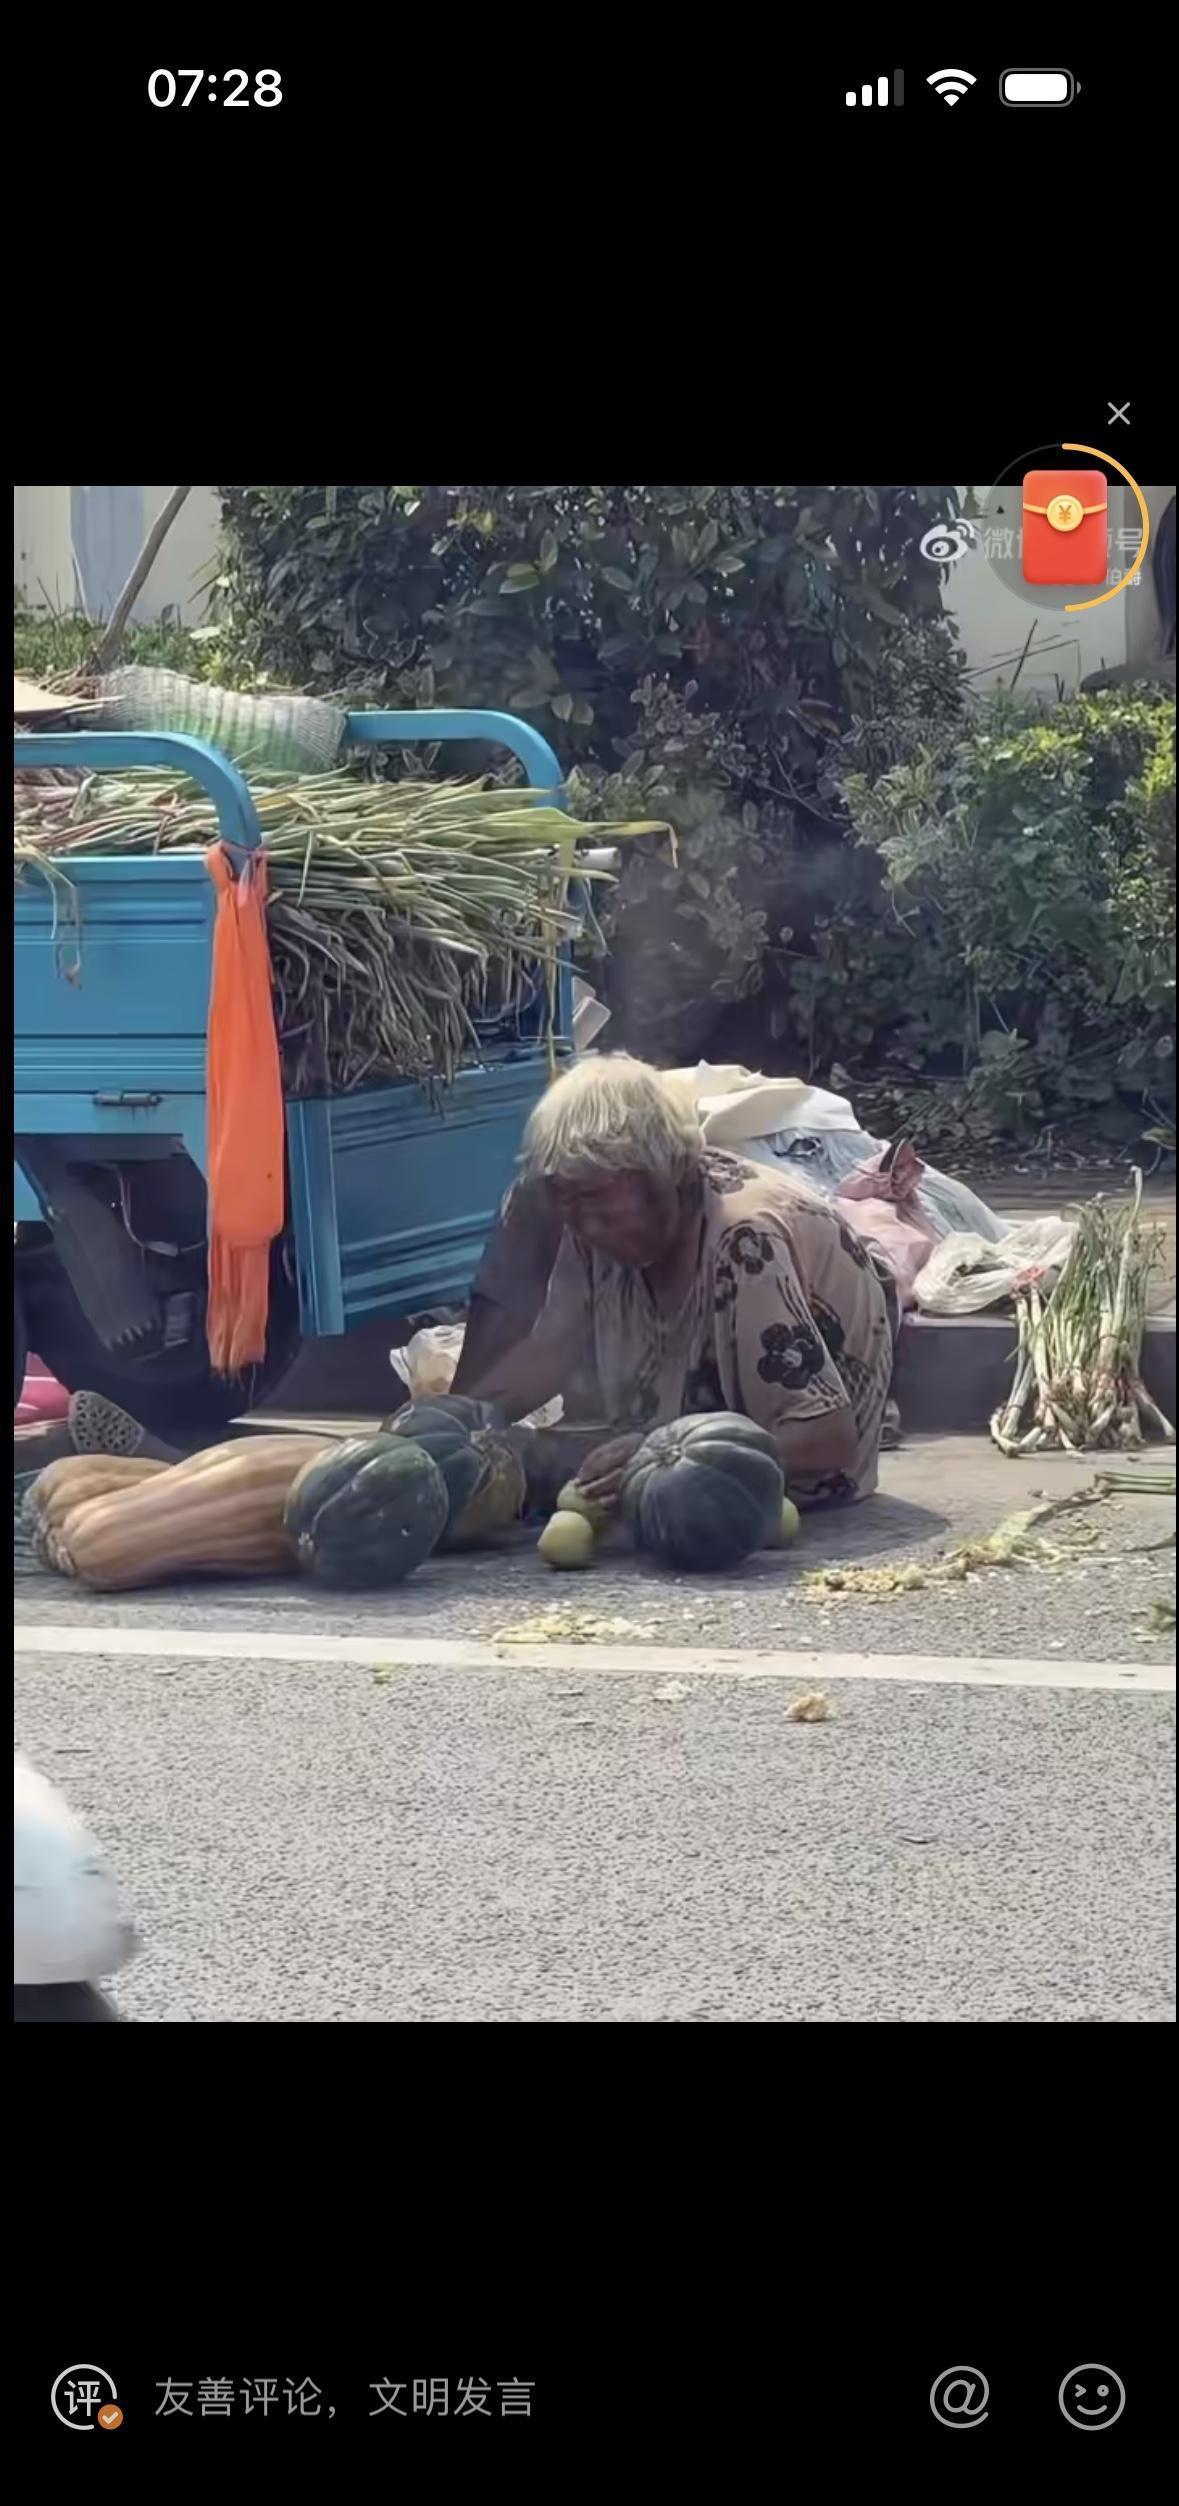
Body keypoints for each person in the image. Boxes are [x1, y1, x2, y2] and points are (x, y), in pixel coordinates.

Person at [462, 1055, 896, 1510]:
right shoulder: (588, 1223)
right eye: (568, 1203)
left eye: (595, 1199)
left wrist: (659, 1459)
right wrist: (463, 1421)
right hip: (671, 1441)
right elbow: (552, 1350)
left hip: (799, 1467)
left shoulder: (743, 1241)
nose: (585, 1226)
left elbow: (827, 1439)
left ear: (662, 1172)